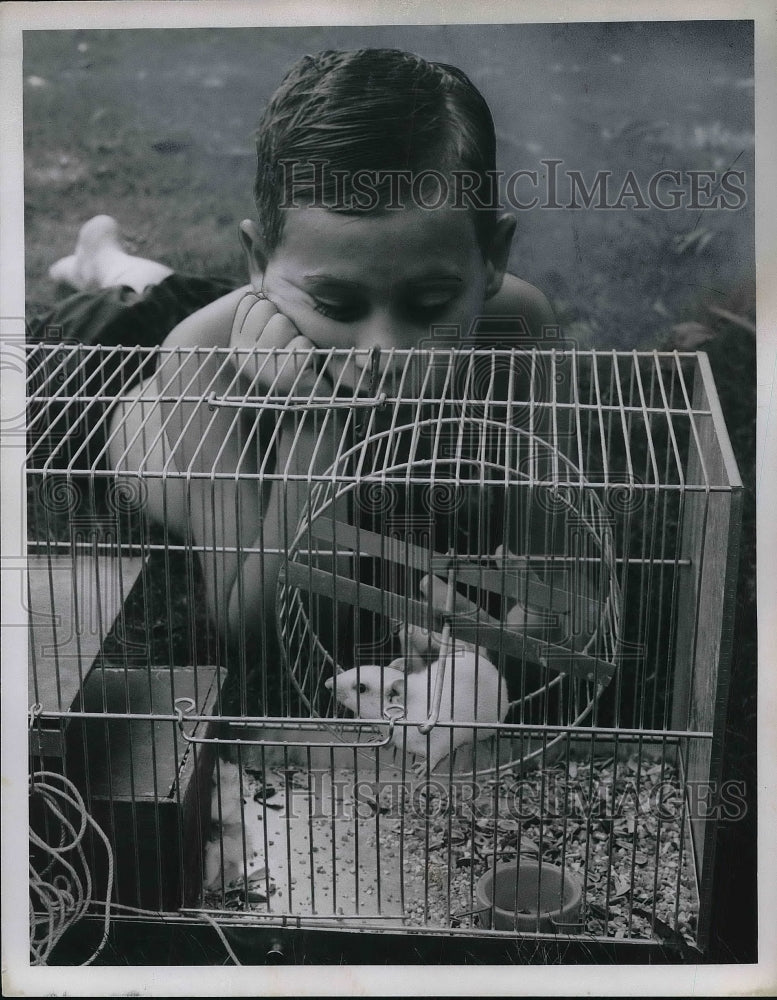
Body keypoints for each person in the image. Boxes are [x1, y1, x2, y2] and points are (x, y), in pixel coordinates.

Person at [41, 49, 559, 712]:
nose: (382, 349)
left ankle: (110, 256)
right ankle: (103, 264)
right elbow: (259, 633)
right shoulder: (196, 356)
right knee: (138, 305)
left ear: (491, 259)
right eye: (342, 308)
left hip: (267, 315)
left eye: (427, 305)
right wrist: (315, 418)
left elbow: (562, 575)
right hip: (109, 366)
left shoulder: (518, 322)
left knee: (176, 289)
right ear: (258, 260)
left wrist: (519, 634)